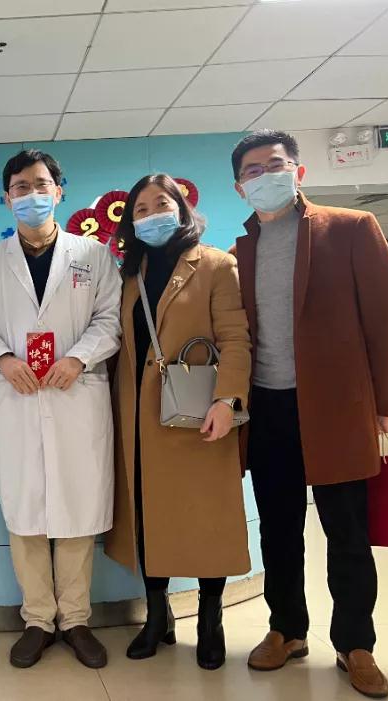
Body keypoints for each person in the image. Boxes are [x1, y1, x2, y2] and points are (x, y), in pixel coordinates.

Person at [231, 130, 388, 699]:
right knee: (279, 528)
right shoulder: (239, 253)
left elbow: (386, 318)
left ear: (298, 171)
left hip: (337, 406)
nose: (265, 176)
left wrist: (383, 402)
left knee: (347, 531)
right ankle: (287, 629)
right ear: (239, 187)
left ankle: (356, 644)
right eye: (253, 171)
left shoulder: (350, 228)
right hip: (268, 408)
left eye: (275, 165)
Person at [0, 149, 122, 669]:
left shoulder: (94, 255)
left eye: (39, 185)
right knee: (25, 511)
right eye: (20, 187)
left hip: (76, 395)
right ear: (6, 198)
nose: (30, 195)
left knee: (77, 510)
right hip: (16, 397)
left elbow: (109, 319)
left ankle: (75, 620)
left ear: (59, 190)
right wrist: (3, 358)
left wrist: (79, 358)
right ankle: (37, 620)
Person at [103, 174, 251, 671]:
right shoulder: (129, 273)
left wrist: (228, 400)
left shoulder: (215, 265)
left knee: (206, 518)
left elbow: (235, 338)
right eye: (140, 209)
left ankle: (210, 620)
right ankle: (157, 616)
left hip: (198, 415)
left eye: (161, 204)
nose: (151, 215)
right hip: (138, 418)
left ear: (182, 209)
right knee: (148, 517)